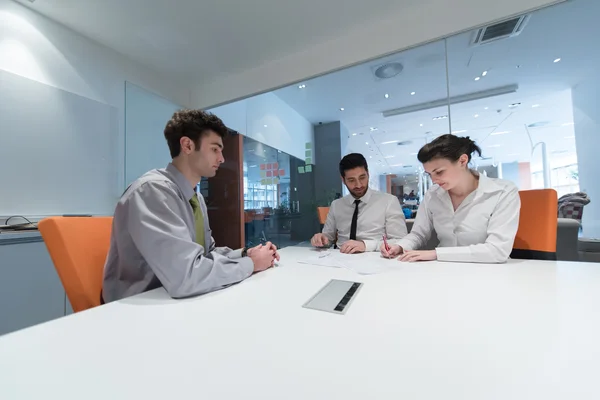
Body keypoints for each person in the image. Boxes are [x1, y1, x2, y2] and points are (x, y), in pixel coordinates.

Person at [102, 109, 279, 302]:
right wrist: (251, 264)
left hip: (176, 299)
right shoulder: (152, 192)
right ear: (187, 145)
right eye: (215, 149)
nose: (221, 158)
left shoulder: (195, 197)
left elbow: (206, 254)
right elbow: (186, 276)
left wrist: (246, 253)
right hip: (137, 306)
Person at [381, 134, 520, 263]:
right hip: (444, 270)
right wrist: (399, 246)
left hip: (488, 271)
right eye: (429, 174)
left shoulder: (502, 192)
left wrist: (436, 254)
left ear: (462, 161)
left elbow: (497, 250)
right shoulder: (433, 194)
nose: (434, 180)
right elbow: (418, 234)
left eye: (439, 172)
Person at [311, 153, 407, 254]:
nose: (358, 185)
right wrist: (321, 239)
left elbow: (400, 241)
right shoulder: (336, 205)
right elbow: (328, 238)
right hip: (340, 258)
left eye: (362, 177)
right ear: (343, 180)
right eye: (351, 180)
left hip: (374, 258)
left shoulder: (389, 201)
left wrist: (366, 245)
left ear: (368, 174)